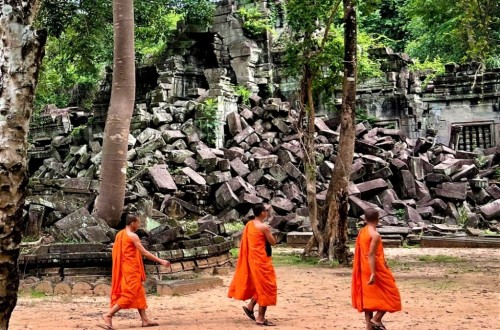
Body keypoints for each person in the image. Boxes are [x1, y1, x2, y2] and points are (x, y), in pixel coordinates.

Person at [100, 214, 171, 330]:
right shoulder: (132, 236)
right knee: (129, 294)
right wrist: (161, 261)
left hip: (126, 268)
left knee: (138, 293)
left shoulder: (120, 234)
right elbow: (144, 253)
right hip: (131, 270)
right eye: (139, 223)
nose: (140, 225)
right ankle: (108, 315)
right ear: (133, 223)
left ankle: (145, 320)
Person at [228, 203, 277, 326]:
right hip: (262, 261)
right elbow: (273, 242)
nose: (268, 212)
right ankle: (261, 318)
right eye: (266, 210)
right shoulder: (263, 227)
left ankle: (250, 307)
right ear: (262, 213)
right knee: (265, 287)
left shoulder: (249, 224)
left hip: (252, 260)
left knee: (259, 286)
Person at [351, 208, 401, 330]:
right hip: (375, 269)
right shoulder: (375, 235)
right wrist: (373, 273)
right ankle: (376, 319)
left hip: (363, 268)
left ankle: (369, 326)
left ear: (365, 219)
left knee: (368, 298)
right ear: (378, 219)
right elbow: (371, 255)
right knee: (392, 295)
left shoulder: (362, 232)